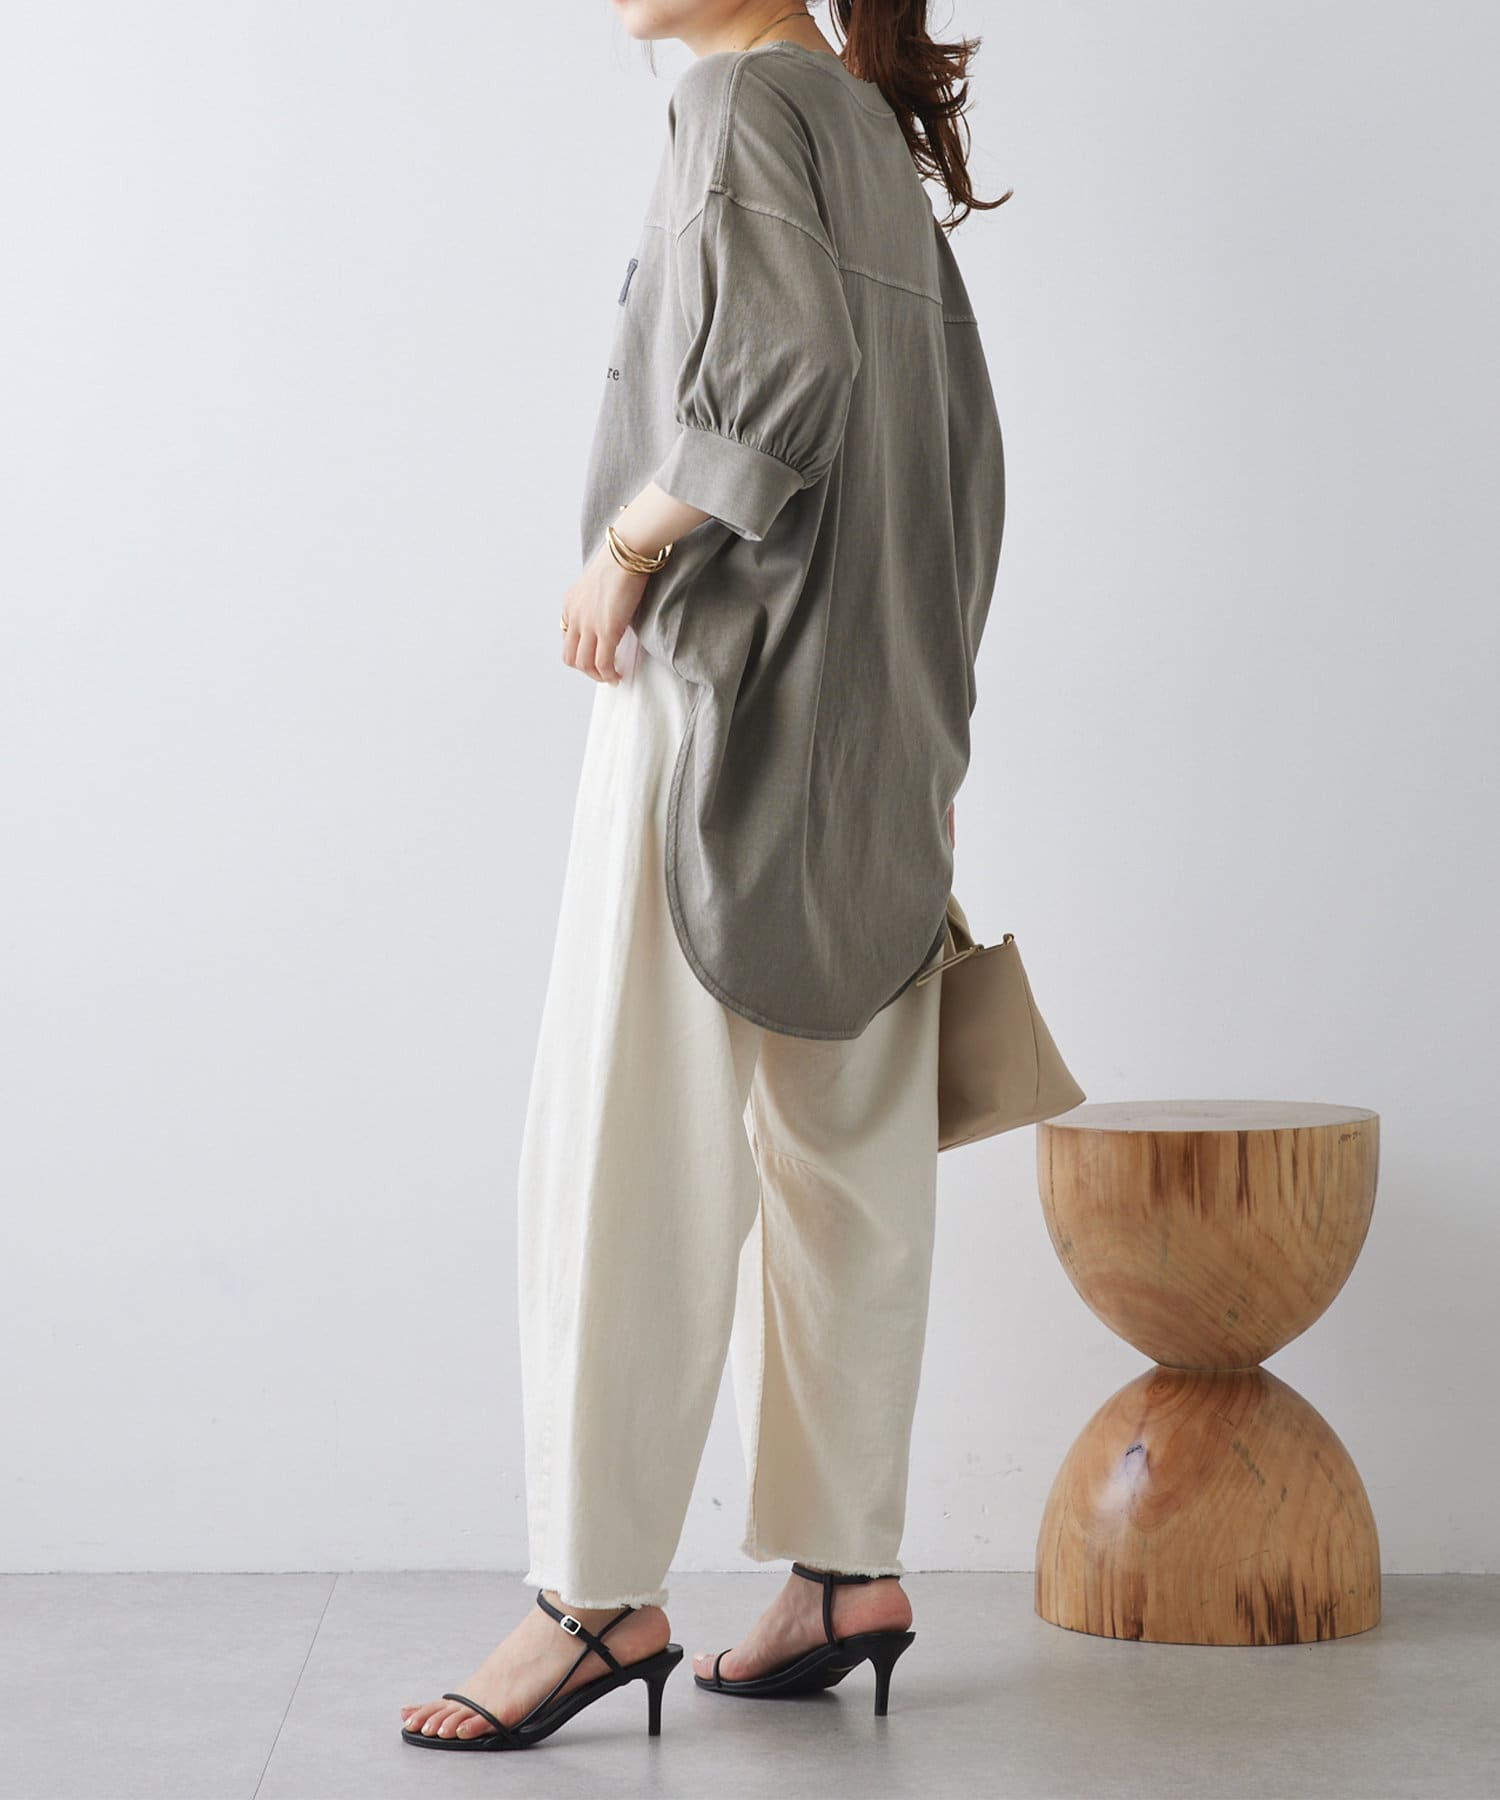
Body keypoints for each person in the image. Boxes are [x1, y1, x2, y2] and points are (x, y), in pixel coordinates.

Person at [401, 0, 1008, 1752]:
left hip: (719, 710)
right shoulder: (866, 128)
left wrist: (630, 541)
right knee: (848, 1161)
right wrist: (933, 733)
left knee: (625, 1149)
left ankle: (594, 1601)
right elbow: (964, 466)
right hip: (880, 733)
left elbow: (788, 379)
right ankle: (845, 1575)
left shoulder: (737, 99)